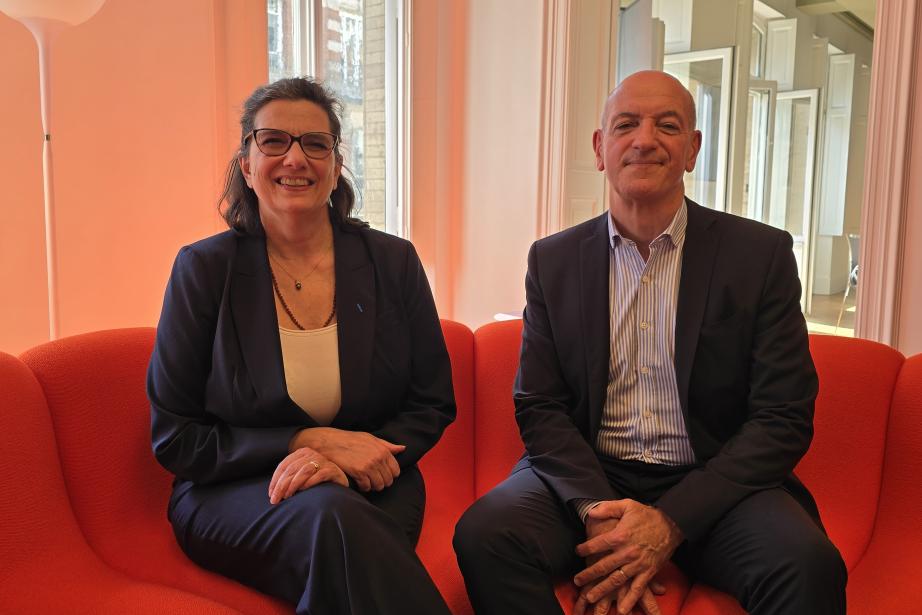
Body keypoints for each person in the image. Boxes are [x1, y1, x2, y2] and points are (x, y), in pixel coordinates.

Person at [454, 70, 847, 615]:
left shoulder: (759, 256)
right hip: (590, 476)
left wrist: (669, 521)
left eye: (667, 125)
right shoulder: (554, 260)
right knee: (486, 535)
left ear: (692, 149)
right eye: (625, 124)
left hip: (713, 481)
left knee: (807, 565)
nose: (644, 139)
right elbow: (539, 405)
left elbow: (783, 417)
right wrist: (597, 510)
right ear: (600, 148)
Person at [147, 77, 454, 615]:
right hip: (232, 493)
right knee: (333, 522)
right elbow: (177, 439)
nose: (296, 158)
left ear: (336, 167)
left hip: (375, 480)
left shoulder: (393, 262)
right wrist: (306, 441)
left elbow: (431, 402)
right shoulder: (203, 270)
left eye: (316, 144)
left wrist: (353, 461)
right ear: (247, 164)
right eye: (273, 141)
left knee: (337, 528)